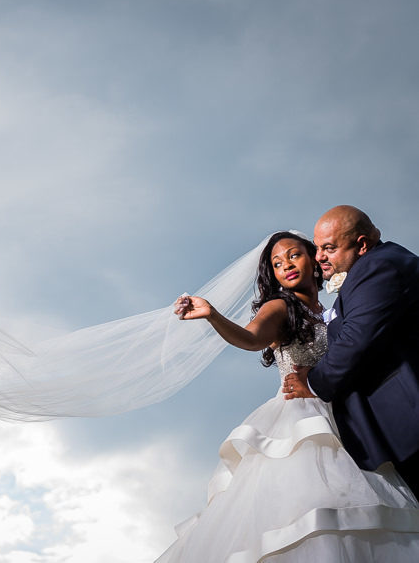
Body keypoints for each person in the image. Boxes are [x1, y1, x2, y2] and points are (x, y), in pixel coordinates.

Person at [157, 231, 419, 562]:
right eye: (277, 263)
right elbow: (251, 337)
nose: (286, 266)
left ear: (314, 259)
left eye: (294, 255)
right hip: (302, 420)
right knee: (313, 510)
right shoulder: (280, 306)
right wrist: (212, 314)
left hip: (344, 414)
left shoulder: (333, 308)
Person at [282, 206, 419, 497]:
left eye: (329, 248)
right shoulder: (382, 262)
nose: (319, 257)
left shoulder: (377, 267)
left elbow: (357, 339)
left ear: (362, 245)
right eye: (318, 247)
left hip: (409, 416)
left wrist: (312, 382)